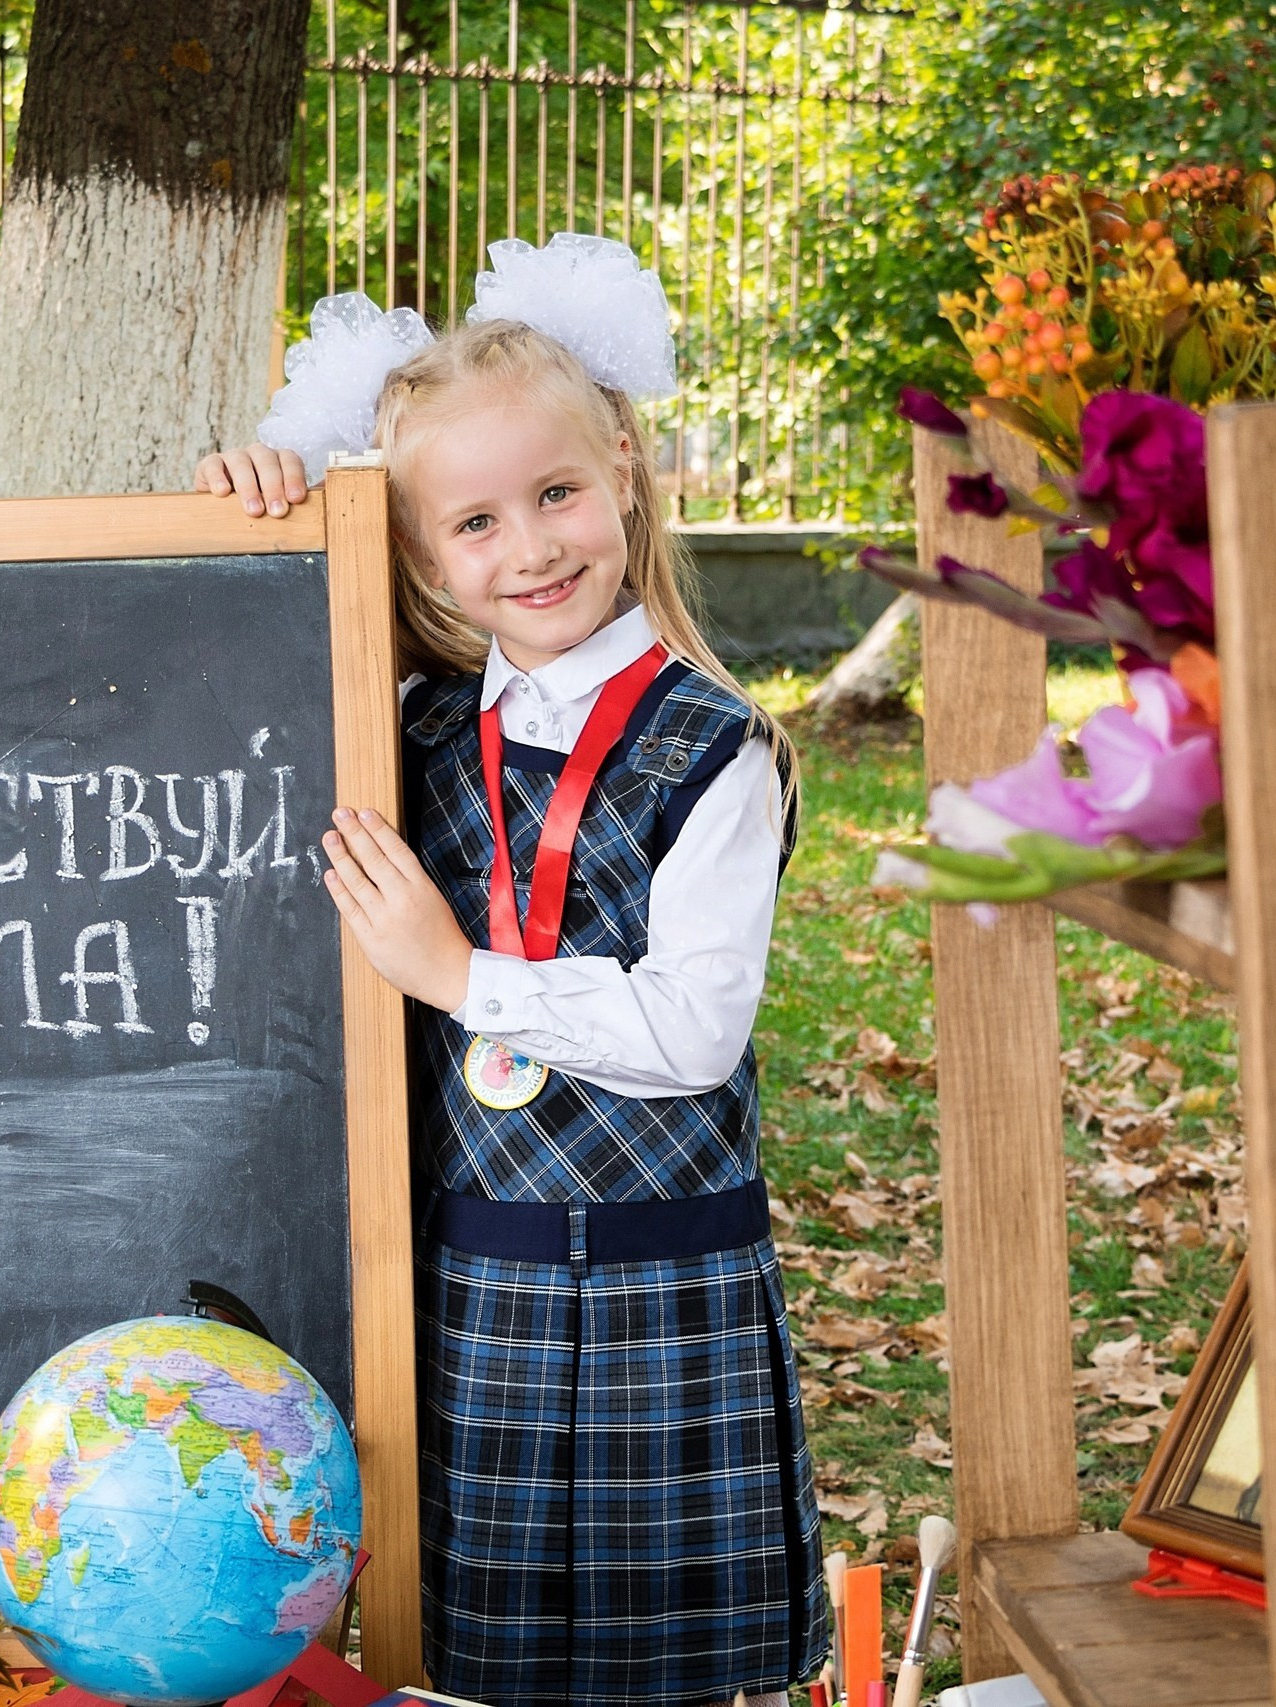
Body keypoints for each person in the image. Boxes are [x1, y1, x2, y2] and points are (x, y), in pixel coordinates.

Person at [198, 234, 828, 1707]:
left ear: (623, 469)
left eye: (556, 494)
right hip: (471, 1281)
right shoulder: (406, 728)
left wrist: (457, 970)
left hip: (667, 1292)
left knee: (656, 1674)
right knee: (470, 1669)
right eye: (474, 521)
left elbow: (691, 1030)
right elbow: (214, 684)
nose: (531, 547)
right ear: (421, 556)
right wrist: (259, 504)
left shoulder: (715, 749)